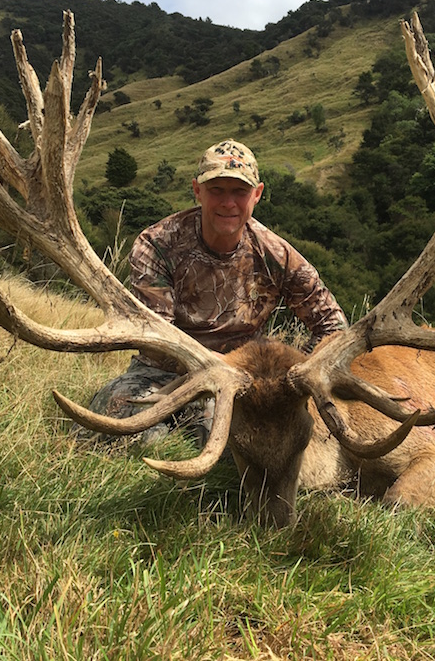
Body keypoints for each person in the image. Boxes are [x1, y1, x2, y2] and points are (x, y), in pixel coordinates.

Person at [88, 138, 348, 445]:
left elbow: (334, 327)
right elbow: (157, 338)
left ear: (257, 195)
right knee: (123, 428)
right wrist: (215, 365)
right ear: (197, 190)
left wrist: (292, 379)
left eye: (240, 192)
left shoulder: (276, 254)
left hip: (239, 386)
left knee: (237, 442)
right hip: (160, 374)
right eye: (217, 190)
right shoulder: (157, 244)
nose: (228, 203)